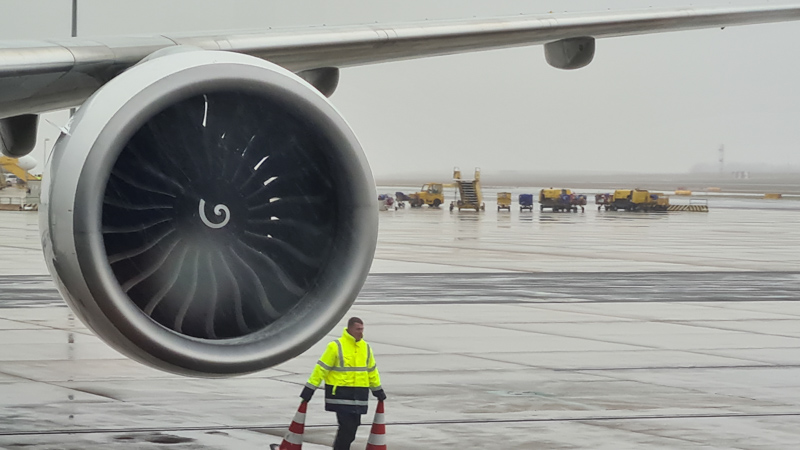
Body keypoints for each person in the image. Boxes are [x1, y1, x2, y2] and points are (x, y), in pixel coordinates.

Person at [301, 317, 385, 450]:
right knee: (347, 428)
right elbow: (321, 369)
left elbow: (371, 370)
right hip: (341, 395)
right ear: (350, 329)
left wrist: (377, 390)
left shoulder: (366, 347)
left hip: (359, 396)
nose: (361, 332)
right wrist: (310, 389)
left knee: (353, 429)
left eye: (362, 329)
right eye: (358, 329)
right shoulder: (335, 346)